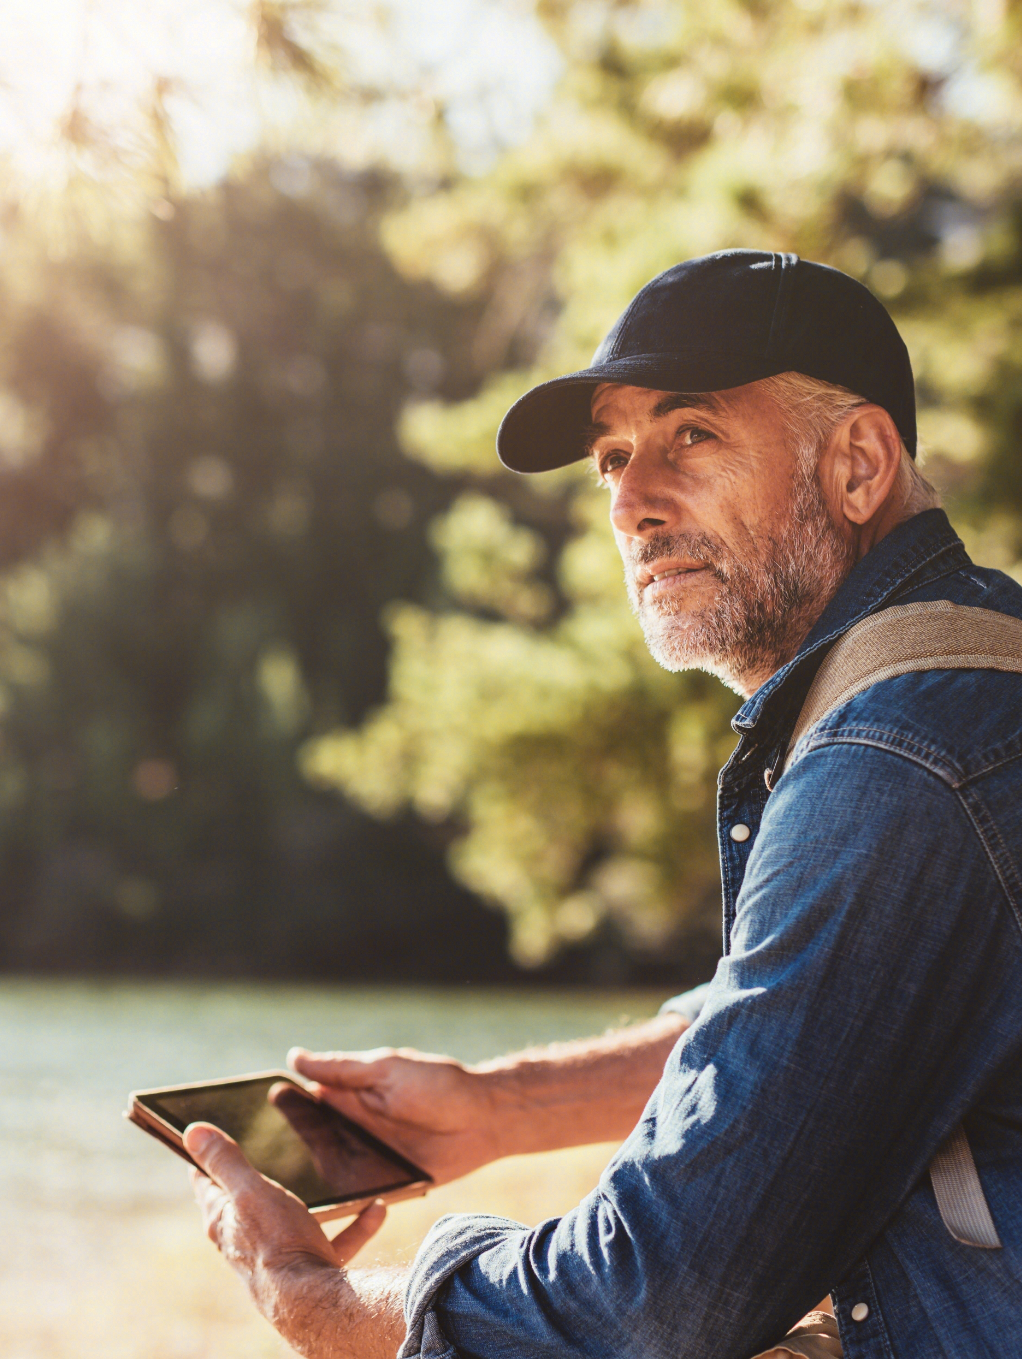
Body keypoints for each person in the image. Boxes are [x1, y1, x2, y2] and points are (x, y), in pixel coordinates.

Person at [181, 251, 1022, 1359]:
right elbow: (802, 1018)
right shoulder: (975, 661)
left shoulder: (893, 761)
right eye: (614, 458)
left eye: (693, 437)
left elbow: (654, 1302)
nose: (629, 502)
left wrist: (316, 1301)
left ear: (857, 465)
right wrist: (500, 1110)